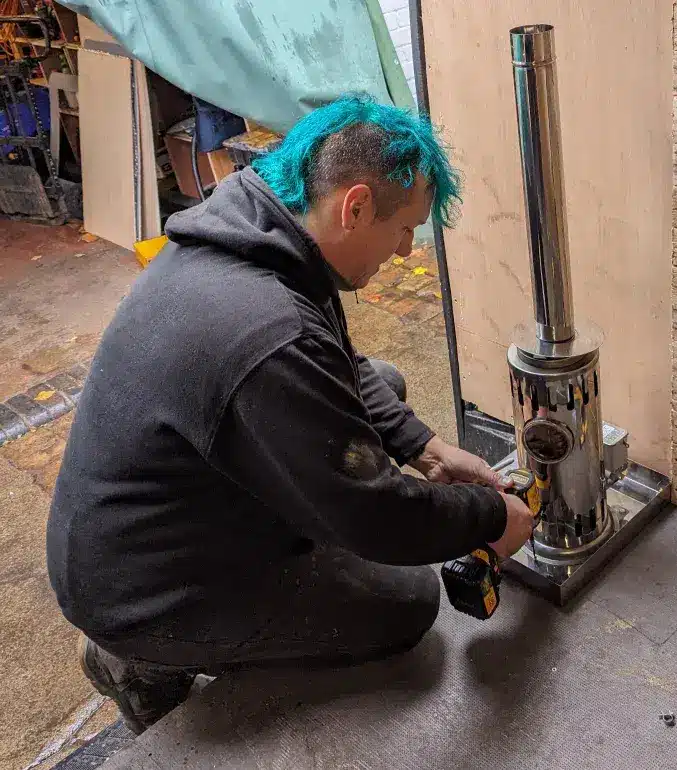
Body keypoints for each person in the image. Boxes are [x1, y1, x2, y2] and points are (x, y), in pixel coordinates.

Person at [46, 93, 536, 734]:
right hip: (145, 588)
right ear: (355, 207)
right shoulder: (263, 330)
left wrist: (426, 448)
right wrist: (492, 516)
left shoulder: (257, 229)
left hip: (161, 511)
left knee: (382, 382)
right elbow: (377, 519)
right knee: (406, 602)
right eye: (404, 228)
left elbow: (341, 364)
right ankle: (137, 660)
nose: (408, 249)